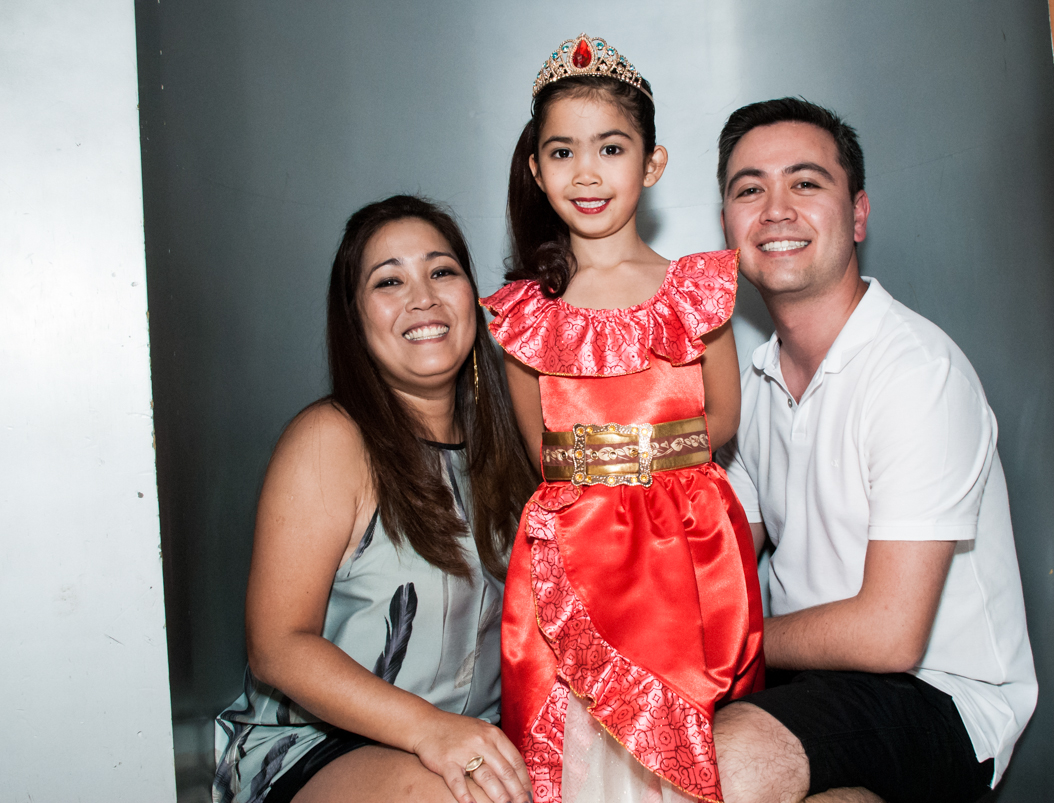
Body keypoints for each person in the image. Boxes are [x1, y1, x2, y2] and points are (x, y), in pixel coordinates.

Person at [712, 98, 1037, 803]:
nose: (775, 209)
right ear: (726, 229)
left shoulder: (915, 371)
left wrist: (725, 642)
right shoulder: (752, 383)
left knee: (727, 760)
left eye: (805, 182)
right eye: (749, 189)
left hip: (940, 696)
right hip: (808, 691)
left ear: (857, 214)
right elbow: (719, 551)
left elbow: (891, 633)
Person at [481, 34, 766, 803]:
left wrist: (658, 471)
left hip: (686, 546)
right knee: (586, 759)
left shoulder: (693, 289)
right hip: (575, 551)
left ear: (652, 163)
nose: (587, 172)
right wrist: (601, 478)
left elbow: (725, 410)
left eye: (610, 147)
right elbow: (543, 448)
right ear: (537, 170)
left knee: (687, 748)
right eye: (563, 152)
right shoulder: (523, 315)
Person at [212, 195, 539, 803]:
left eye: (442, 271)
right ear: (355, 317)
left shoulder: (516, 444)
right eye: (389, 281)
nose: (424, 298)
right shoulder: (330, 439)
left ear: (473, 295)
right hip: (316, 744)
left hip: (475, 743)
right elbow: (277, 647)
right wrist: (430, 730)